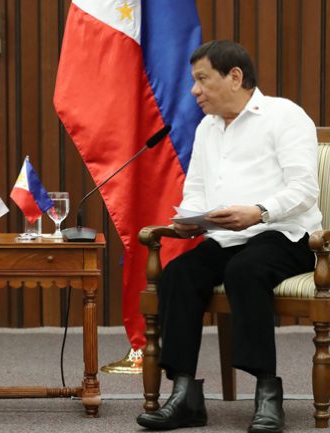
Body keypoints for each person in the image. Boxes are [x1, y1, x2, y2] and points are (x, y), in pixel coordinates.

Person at [136, 40, 321, 433]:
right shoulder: (208, 128)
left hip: (286, 235)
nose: (194, 91)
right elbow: (197, 191)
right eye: (193, 81)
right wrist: (191, 220)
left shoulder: (285, 116)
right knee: (179, 274)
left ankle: (268, 392)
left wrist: (258, 211)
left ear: (234, 77)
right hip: (226, 236)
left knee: (244, 271)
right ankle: (185, 394)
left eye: (202, 79)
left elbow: (304, 189)